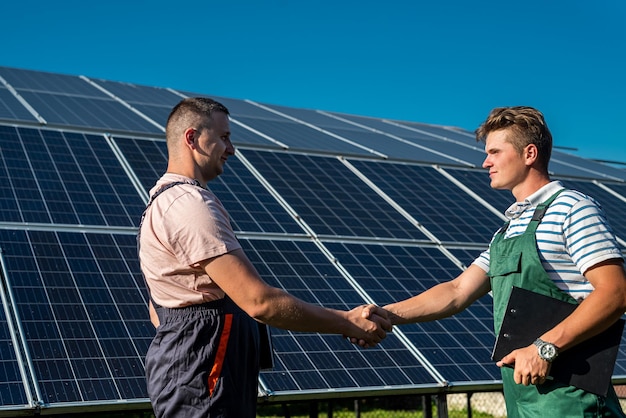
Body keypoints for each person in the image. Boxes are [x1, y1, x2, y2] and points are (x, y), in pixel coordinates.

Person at [362, 106, 626, 417]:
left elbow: (615, 292)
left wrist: (545, 347)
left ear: (529, 154)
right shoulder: (507, 230)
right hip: (523, 397)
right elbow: (457, 291)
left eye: (495, 152)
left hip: (570, 399)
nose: (486, 162)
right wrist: (386, 314)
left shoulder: (573, 208)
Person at [137, 97, 392, 417]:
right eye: (224, 137)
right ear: (192, 138)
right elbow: (259, 302)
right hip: (204, 375)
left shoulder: (161, 204)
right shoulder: (189, 205)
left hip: (196, 370)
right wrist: (348, 322)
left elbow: (157, 311)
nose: (231, 149)